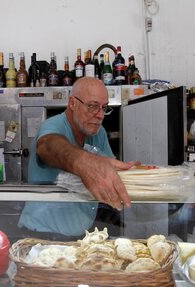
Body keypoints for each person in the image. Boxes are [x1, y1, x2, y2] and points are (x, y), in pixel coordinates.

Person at [18, 77, 138, 238]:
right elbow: (48, 146)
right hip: (42, 235)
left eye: (104, 108)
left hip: (81, 236)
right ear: (72, 103)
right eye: (93, 106)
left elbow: (110, 171)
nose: (100, 115)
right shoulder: (54, 125)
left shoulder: (98, 132)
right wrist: (84, 163)